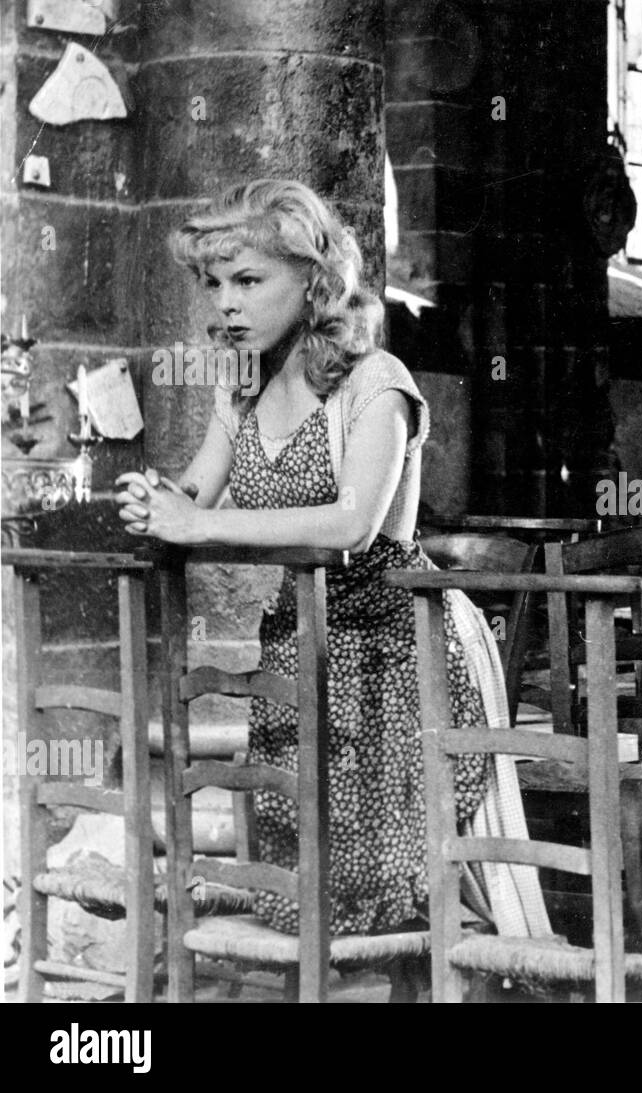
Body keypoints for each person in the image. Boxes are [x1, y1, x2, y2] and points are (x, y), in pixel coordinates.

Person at [115, 179, 548, 939]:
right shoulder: (241, 384)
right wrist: (154, 501)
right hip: (302, 642)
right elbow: (196, 488)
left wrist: (197, 525)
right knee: (299, 897)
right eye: (215, 285)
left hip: (399, 649)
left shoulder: (375, 381)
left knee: (387, 901)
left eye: (249, 281)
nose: (227, 304)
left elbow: (353, 526)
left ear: (314, 282)